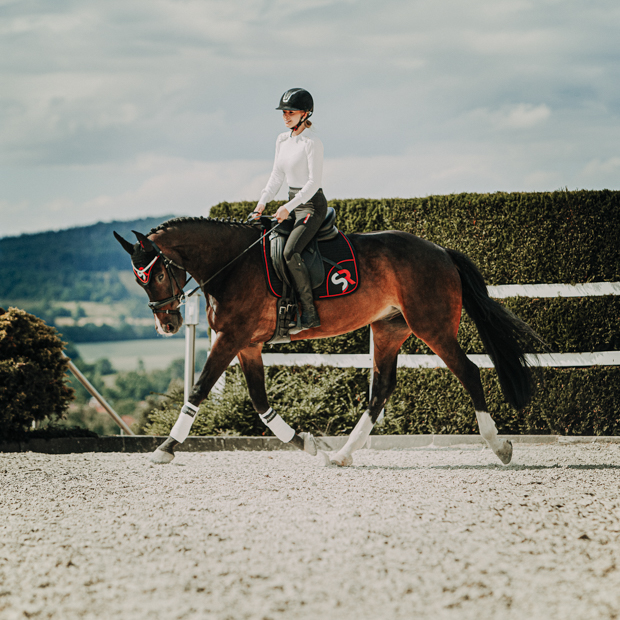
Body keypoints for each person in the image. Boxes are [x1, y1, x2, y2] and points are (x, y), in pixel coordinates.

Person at [252, 88, 327, 330]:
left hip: (311, 206)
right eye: (284, 112)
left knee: (290, 252)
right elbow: (276, 176)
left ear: (305, 114)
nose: (286, 117)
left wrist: (287, 206)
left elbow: (313, 183)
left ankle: (309, 312)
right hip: (293, 204)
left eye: (291, 112)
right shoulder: (282, 140)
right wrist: (261, 203)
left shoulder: (312, 143)